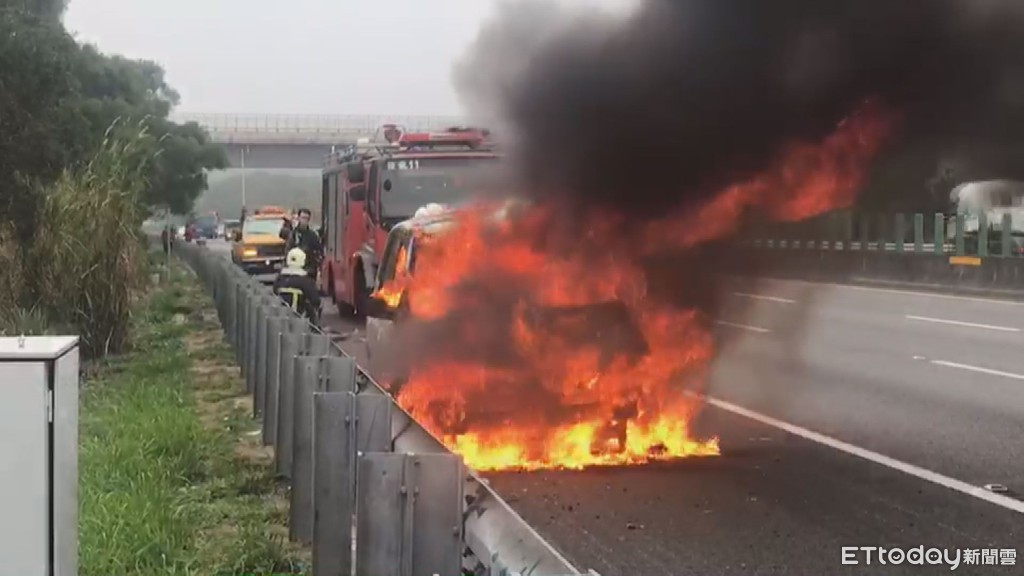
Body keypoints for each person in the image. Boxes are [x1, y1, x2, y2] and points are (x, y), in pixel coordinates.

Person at [273, 248, 322, 324]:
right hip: (300, 320)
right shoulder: (306, 281)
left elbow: (274, 294)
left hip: (280, 319)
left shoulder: (280, 280)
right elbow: (316, 301)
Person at [285, 207, 323, 281]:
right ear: (299, 218)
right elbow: (288, 250)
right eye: (303, 218)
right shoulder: (293, 234)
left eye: (306, 218)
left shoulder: (313, 235)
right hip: (295, 269)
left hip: (309, 270)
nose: (304, 221)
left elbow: (318, 251)